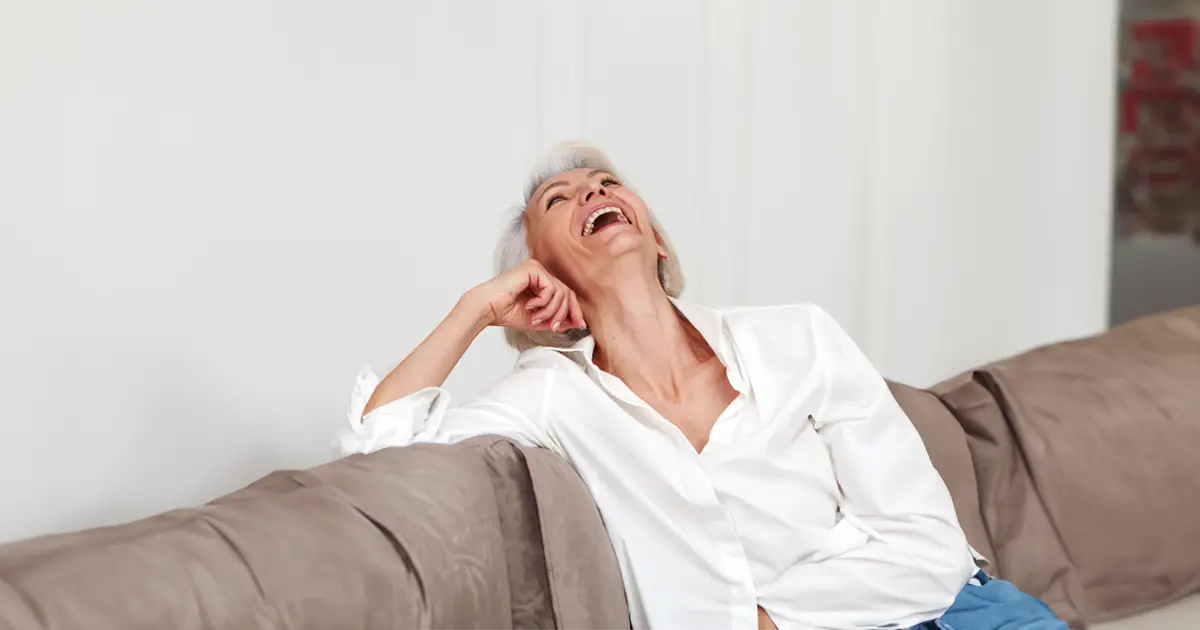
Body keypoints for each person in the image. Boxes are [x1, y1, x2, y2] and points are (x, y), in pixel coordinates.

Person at [338, 144, 1068, 630]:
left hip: (954, 615)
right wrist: (476, 310)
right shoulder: (552, 396)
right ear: (542, 273)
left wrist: (770, 621)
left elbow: (933, 552)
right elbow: (379, 450)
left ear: (657, 239)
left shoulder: (798, 337)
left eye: (605, 181)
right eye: (559, 201)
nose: (592, 188)